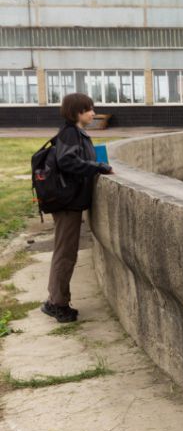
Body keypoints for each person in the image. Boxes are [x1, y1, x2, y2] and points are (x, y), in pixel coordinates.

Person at [41, 93, 113, 323]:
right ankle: (57, 303)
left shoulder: (75, 133)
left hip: (70, 202)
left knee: (64, 252)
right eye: (88, 110)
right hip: (67, 204)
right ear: (76, 113)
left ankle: (56, 299)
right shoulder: (71, 133)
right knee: (65, 254)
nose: (93, 113)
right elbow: (67, 161)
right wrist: (98, 166)